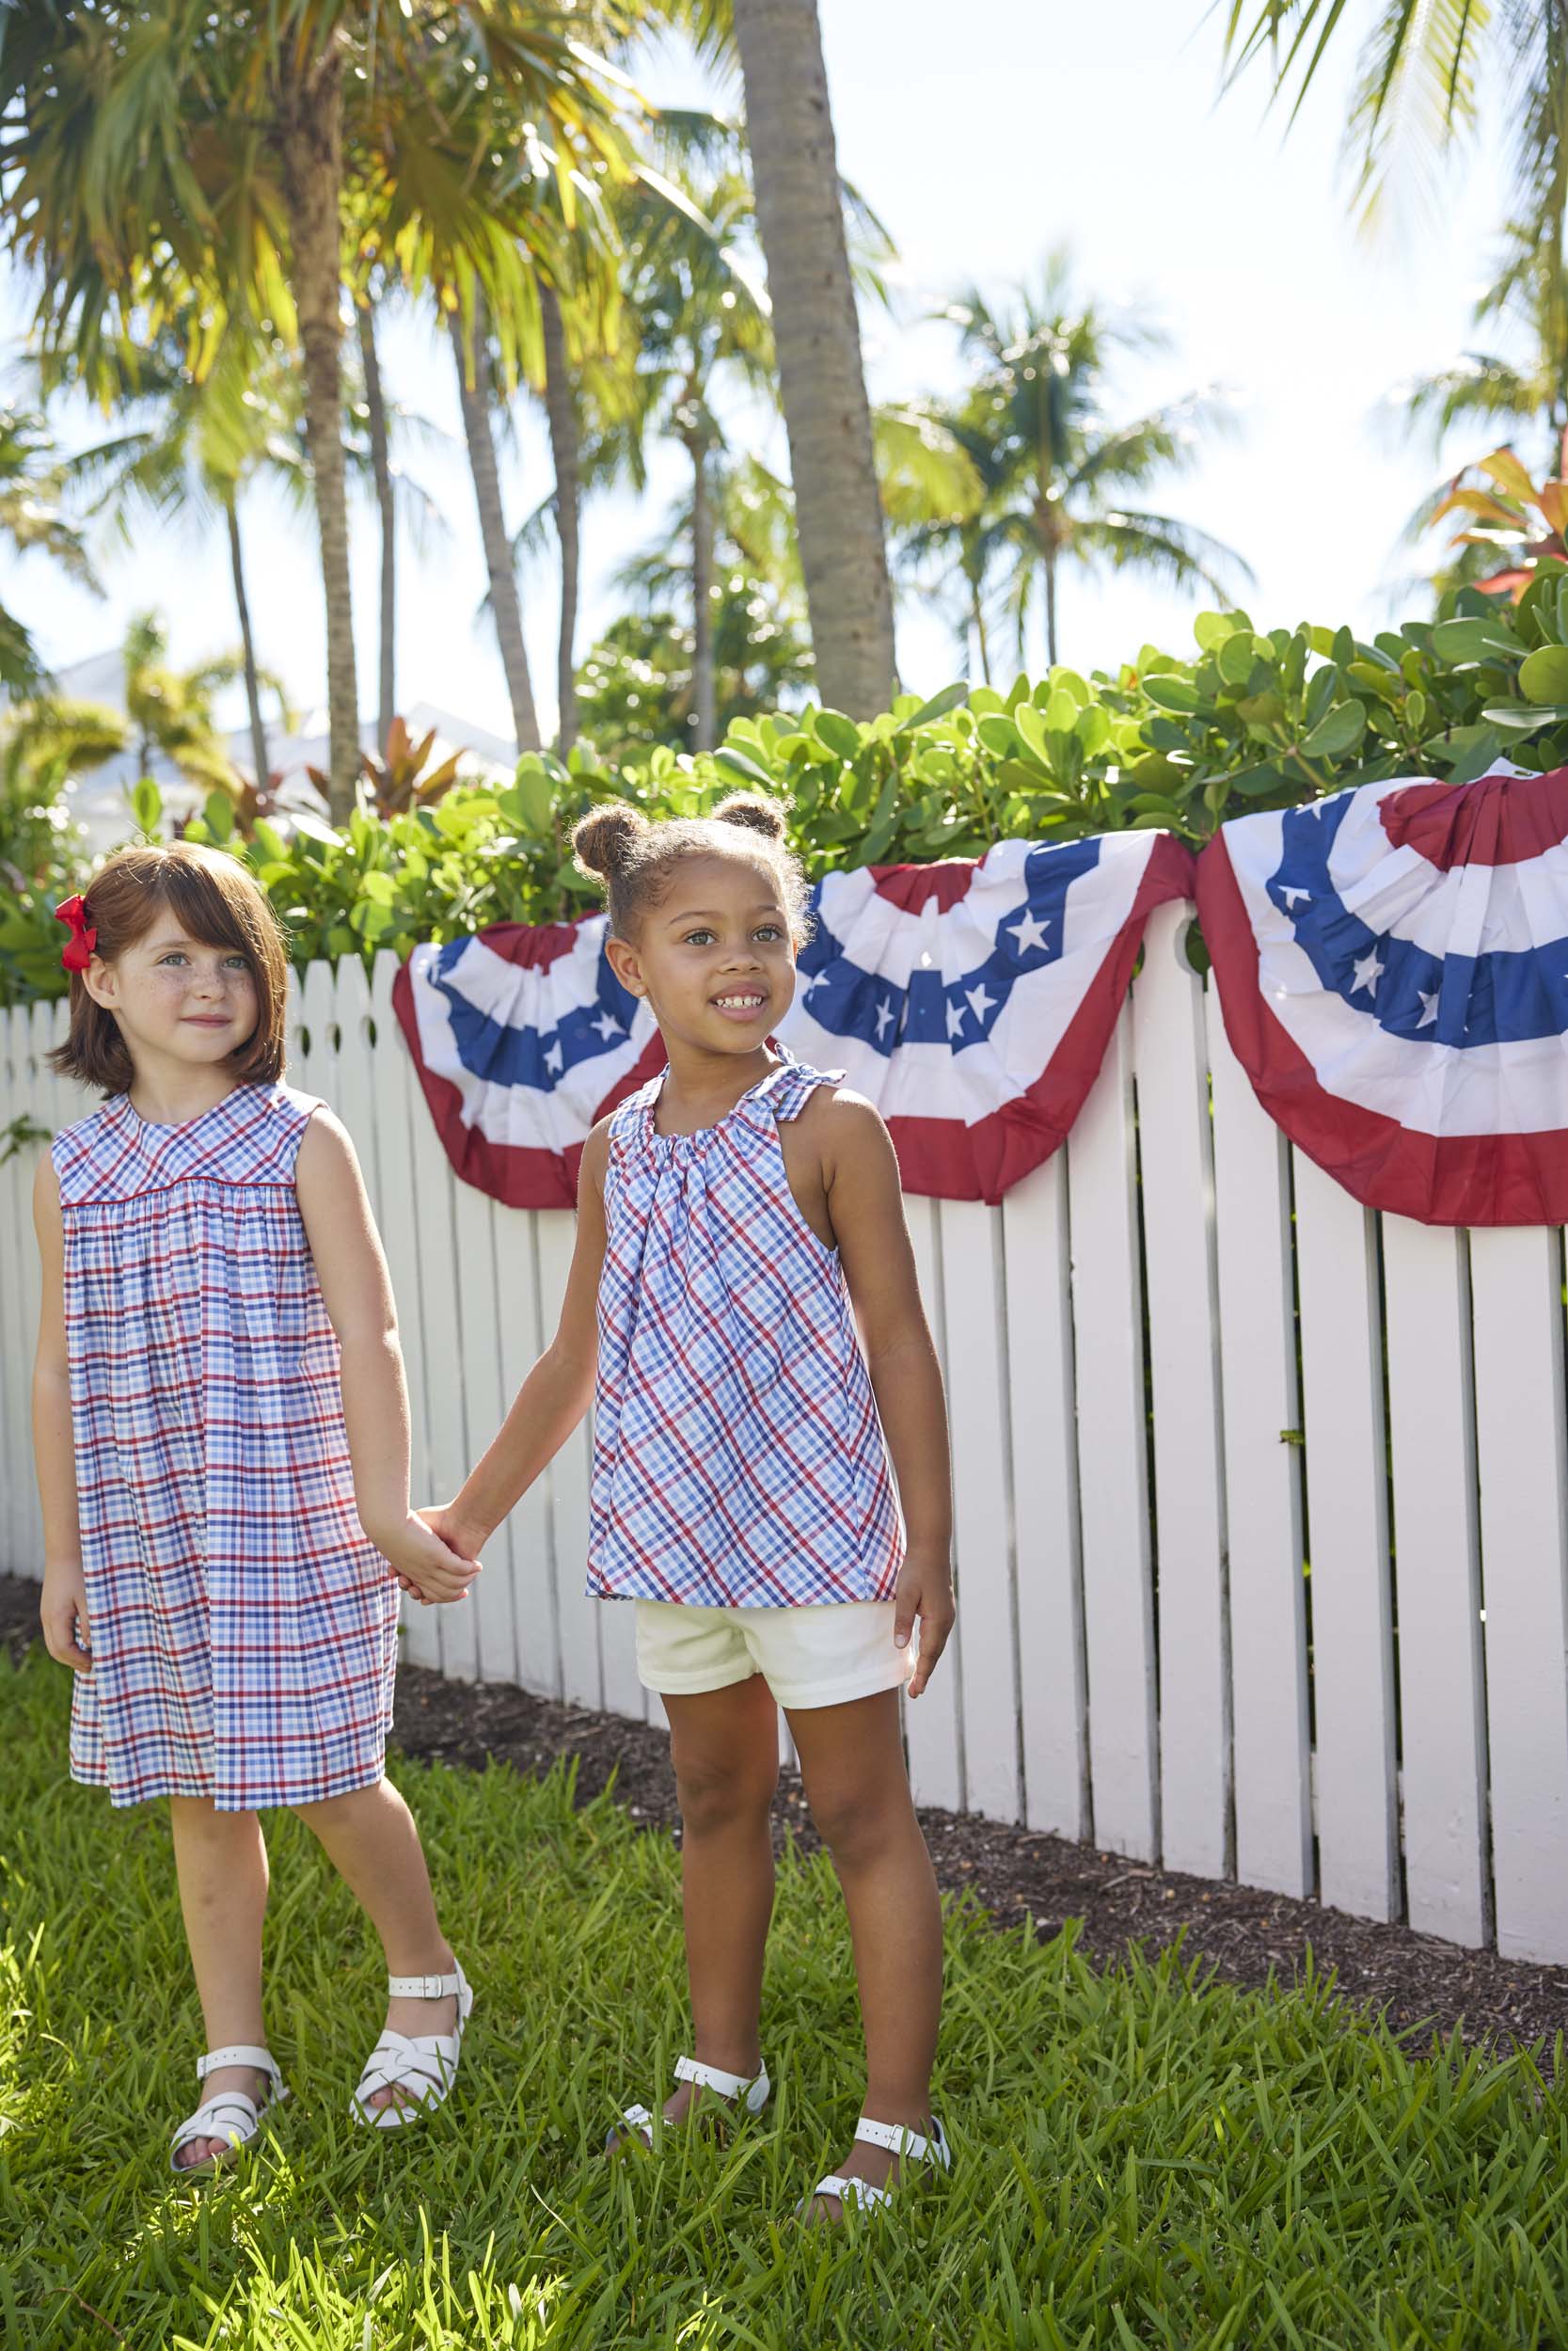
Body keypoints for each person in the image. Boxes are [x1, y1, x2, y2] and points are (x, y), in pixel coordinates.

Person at [419, 793, 958, 2220]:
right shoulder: (618, 1150)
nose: (742, 958)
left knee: (858, 1812)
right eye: (701, 934)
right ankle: (724, 2072)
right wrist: (464, 1520)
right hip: (676, 1543)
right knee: (715, 1797)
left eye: (767, 932)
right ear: (631, 965)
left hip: (817, 1543)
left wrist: (932, 1541)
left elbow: (898, 1341)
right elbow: (573, 1355)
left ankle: (899, 2126)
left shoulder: (829, 1123)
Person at [31, 843, 481, 2174]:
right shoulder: (78, 1168)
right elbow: (59, 1365)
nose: (210, 983)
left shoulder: (296, 1135)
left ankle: (427, 1979)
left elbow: (370, 1332)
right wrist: (64, 1554)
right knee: (196, 1794)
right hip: (146, 1525)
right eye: (173, 958)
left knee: (336, 1775)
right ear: (103, 981)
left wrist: (384, 1507)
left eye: (234, 959)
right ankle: (235, 2054)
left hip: (287, 1514)